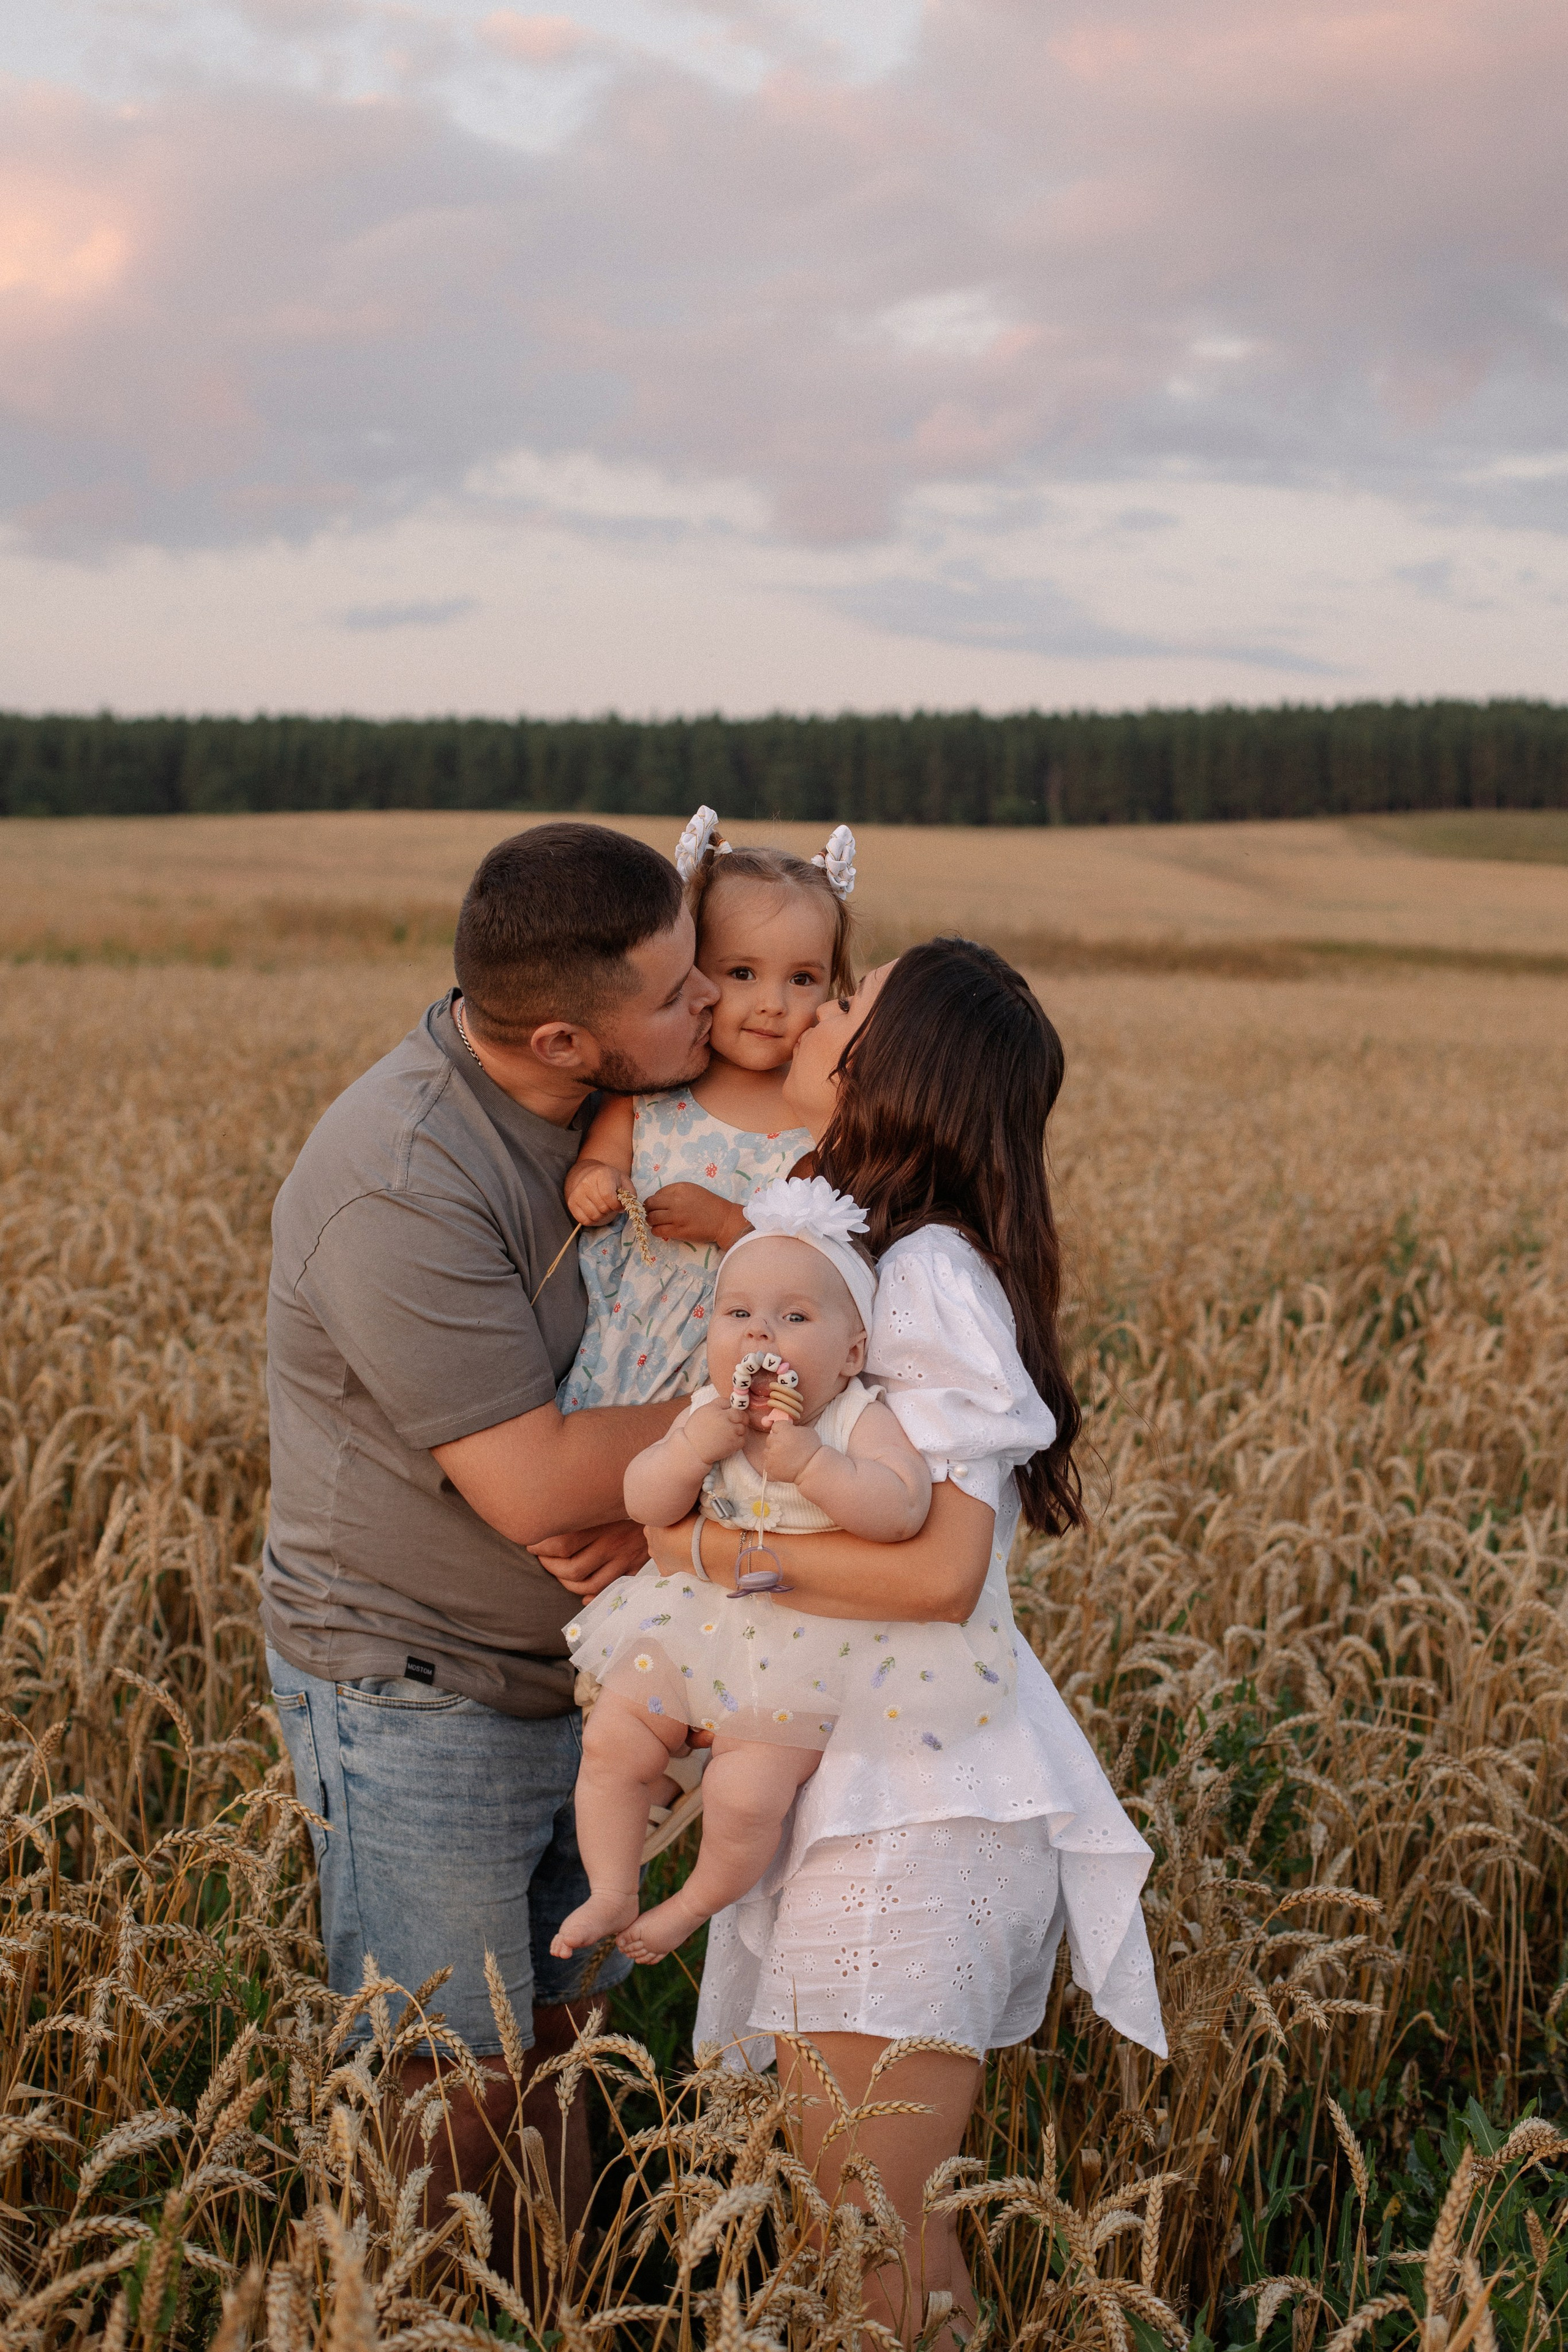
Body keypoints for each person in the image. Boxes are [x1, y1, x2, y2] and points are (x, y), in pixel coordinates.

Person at [644, 938, 1165, 2348]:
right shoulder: (867, 1254)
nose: (816, 1008)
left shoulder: (929, 1269)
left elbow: (940, 1569)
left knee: (877, 2246)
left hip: (916, 1807)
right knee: (857, 2231)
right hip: (875, 1789)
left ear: (904, 1059)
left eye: (849, 995)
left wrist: (700, 1554)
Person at [262, 822, 716, 2237]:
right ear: (569, 1038)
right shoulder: (401, 1178)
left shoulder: (656, 1105)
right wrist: (772, 1401)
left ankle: (560, 2316)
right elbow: (531, 1481)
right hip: (419, 1684)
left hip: (594, 1679)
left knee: (570, 2055)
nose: (709, 1003)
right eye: (675, 991)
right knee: (449, 2083)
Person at [551, 1177, 932, 1964]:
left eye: (795, 1317)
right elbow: (643, 1500)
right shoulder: (704, 1414)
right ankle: (612, 1886)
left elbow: (900, 1510)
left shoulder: (855, 1417)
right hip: (695, 1622)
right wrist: (691, 1450)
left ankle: (689, 1907)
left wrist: (815, 1464)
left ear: (852, 1353)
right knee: (614, 1740)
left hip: (809, 1643)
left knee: (745, 1793)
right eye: (738, 1315)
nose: (762, 1332)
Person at [556, 809, 856, 1409]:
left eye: (802, 979)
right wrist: (594, 1184)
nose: (772, 1004)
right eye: (742, 973)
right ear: (691, 973)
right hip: (623, 1349)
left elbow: (824, 1263)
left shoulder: (820, 1115)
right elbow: (597, 1166)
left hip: (745, 1373)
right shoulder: (656, 1094)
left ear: (832, 987)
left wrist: (727, 1225)